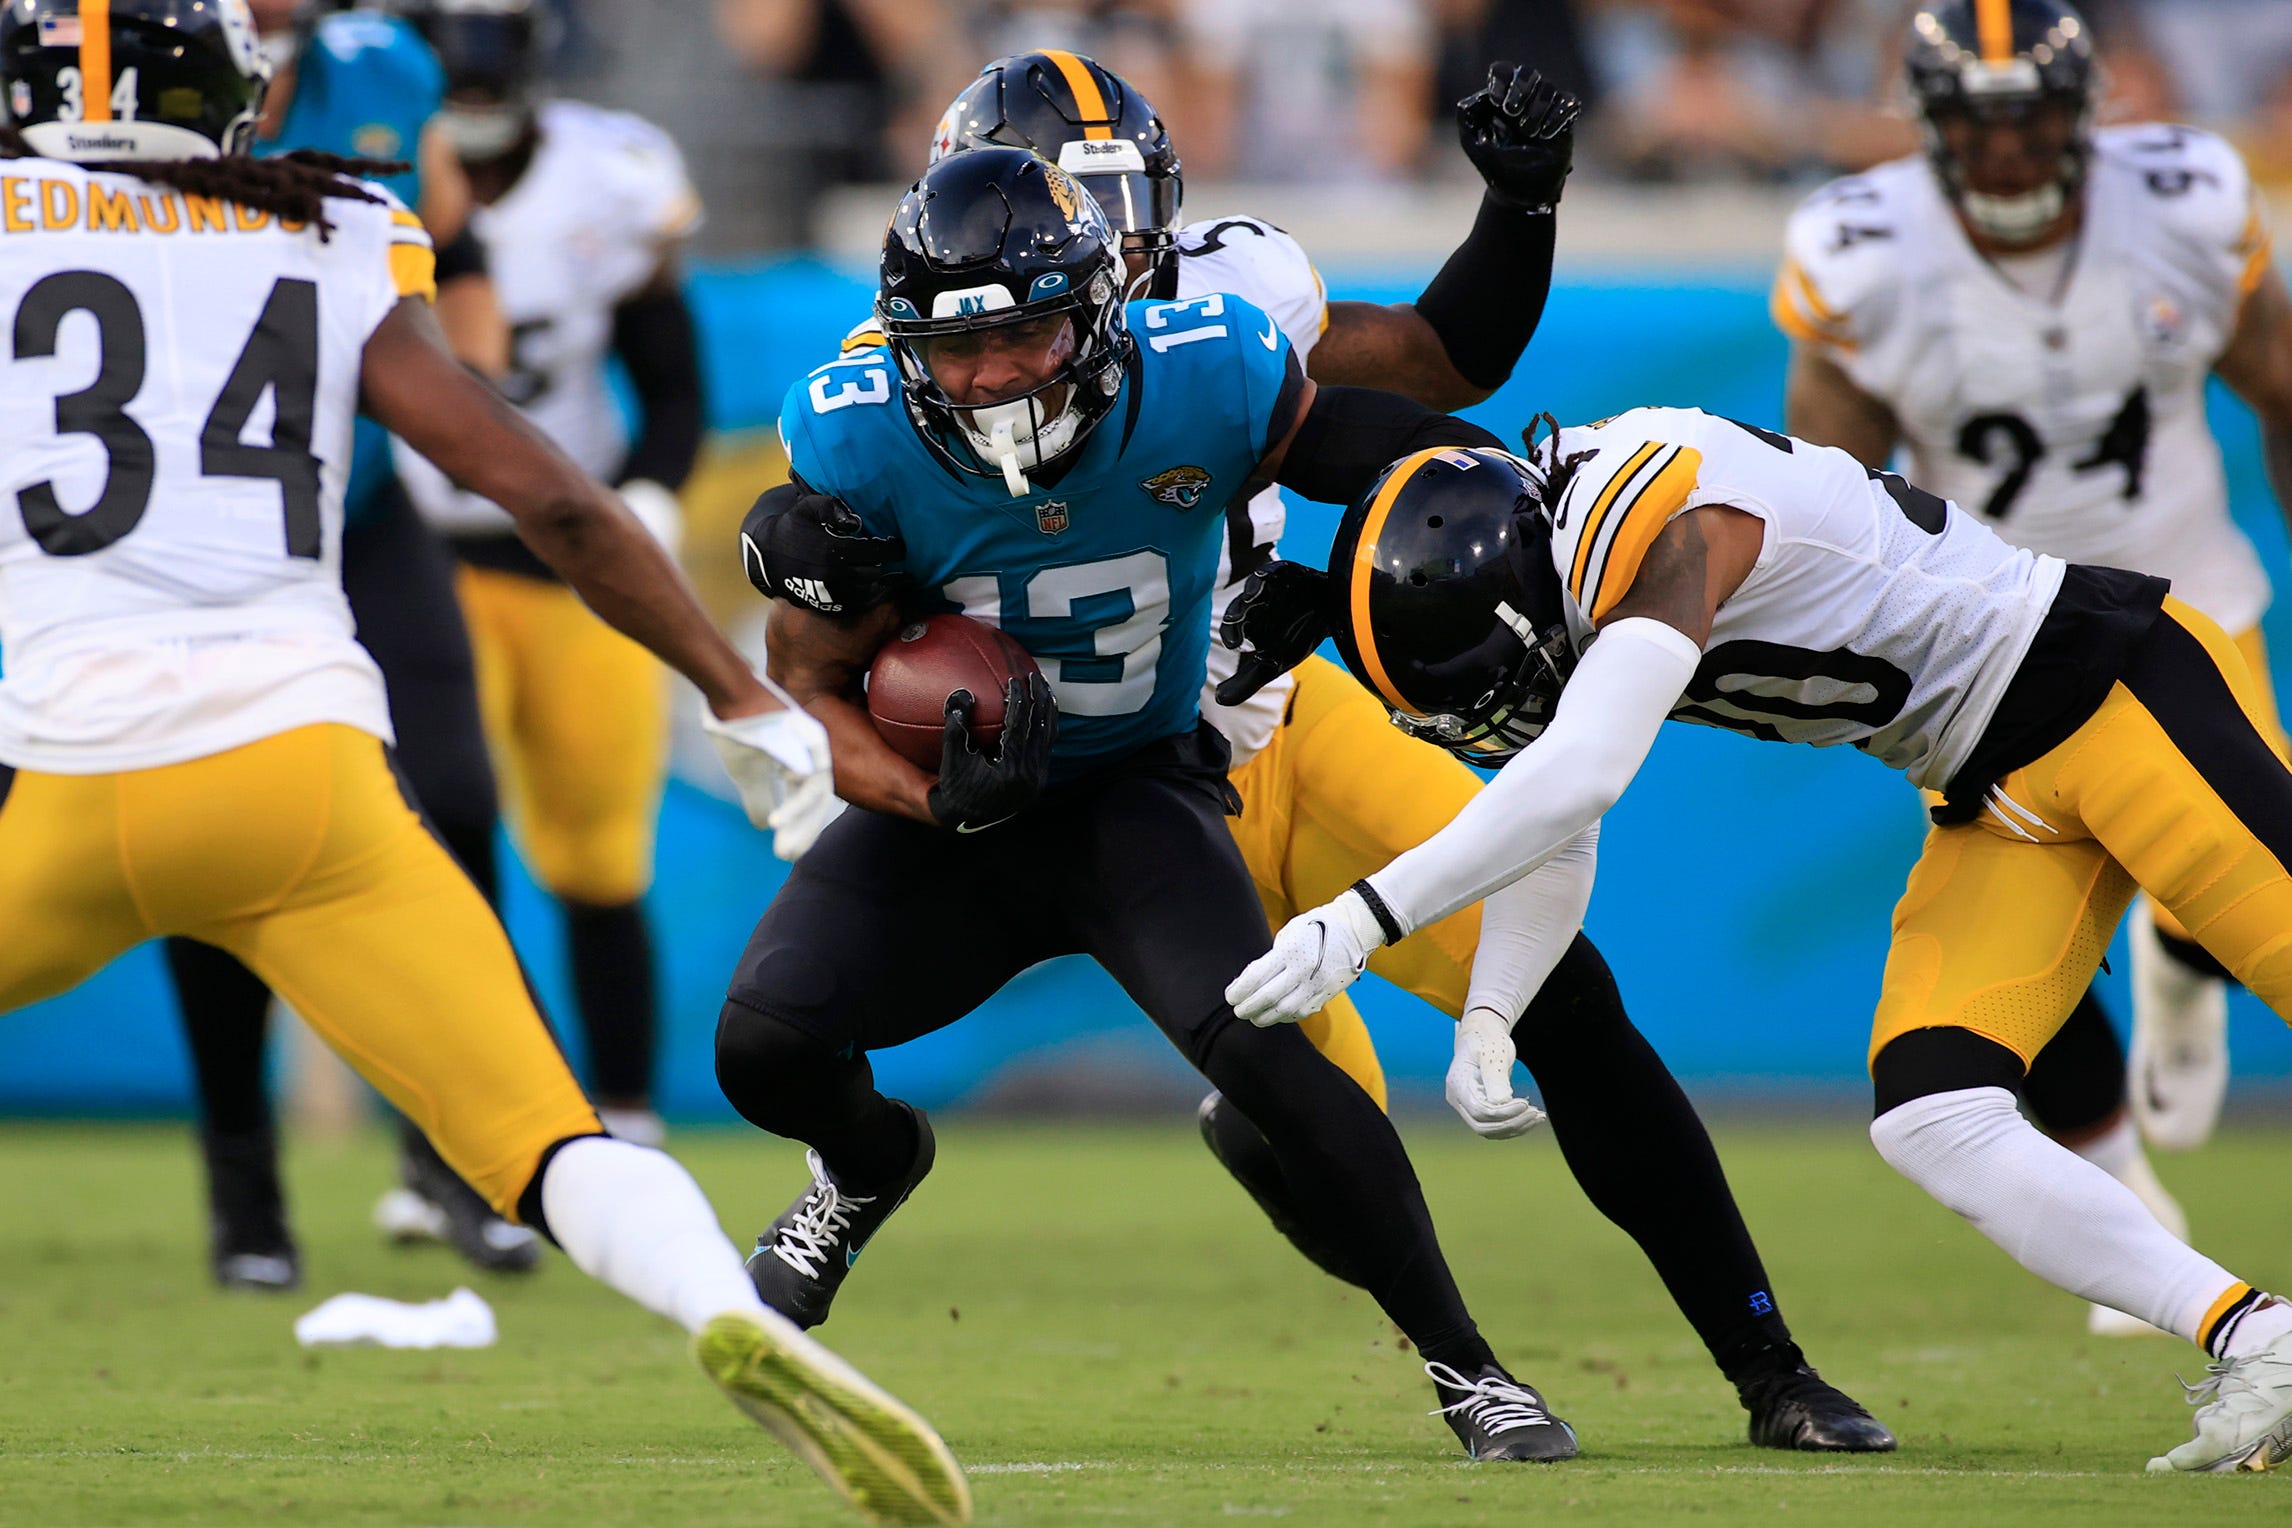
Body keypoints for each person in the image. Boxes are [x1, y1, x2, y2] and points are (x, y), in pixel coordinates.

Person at [750, 48, 1892, 1450]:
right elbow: (838, 582)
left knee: (1562, 1003)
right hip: (1090, 768)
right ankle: (1397, 1302)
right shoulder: (913, 381)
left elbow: (1427, 386)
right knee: (1292, 1109)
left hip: (1280, 723)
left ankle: (1770, 1370)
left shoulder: (1224, 313)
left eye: (1114, 199)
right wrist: (792, 543)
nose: (1110, 233)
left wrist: (1519, 213)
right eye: (1071, 199)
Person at [0, 3, 941, 1521]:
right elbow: (552, 498)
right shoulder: (324, 224)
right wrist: (738, 695)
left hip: (64, 781)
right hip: (301, 779)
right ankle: (724, 1309)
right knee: (548, 1142)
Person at [1219, 413, 2292, 1474]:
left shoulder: (1647, 504)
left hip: (2115, 688)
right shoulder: (1563, 569)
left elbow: (1580, 775)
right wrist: (1493, 1012)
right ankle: (2264, 1344)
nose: (1509, 723)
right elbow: (1557, 822)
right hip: (1992, 792)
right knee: (1932, 1114)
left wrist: (1360, 918)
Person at [723, 144, 1578, 1463]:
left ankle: (1473, 1372)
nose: (995, 375)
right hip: (961, 817)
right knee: (764, 1044)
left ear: (1097, 311)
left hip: (1140, 791)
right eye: (960, 350)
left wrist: (1431, 518)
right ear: (905, 350)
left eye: (1025, 333)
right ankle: (867, 1162)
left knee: (1276, 1067)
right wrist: (928, 796)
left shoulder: (1211, 372)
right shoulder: (855, 436)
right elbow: (810, 684)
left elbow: (1376, 444)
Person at [1773, 2, 2292, 1274]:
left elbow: (2283, 385)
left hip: (2189, 603)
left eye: (2031, 122)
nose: (2006, 155)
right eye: (1977, 125)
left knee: (2227, 878)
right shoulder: (1862, 248)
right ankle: (2126, 1190)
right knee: (2016, 980)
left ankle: (2182, 957)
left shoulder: (2183, 201)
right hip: (1996, 638)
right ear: (1930, 126)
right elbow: (1833, 497)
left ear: (2084, 114)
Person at [174, 0, 528, 1294]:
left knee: (462, 804)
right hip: (194, 532)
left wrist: (467, 365)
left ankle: (462, 1159)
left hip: (360, 508)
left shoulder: (386, 69)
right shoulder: (140, 65)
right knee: (197, 831)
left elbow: (451, 226)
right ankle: (246, 1193)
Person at [392, 0, 709, 1149]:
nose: (472, 71)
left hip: (573, 562)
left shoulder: (608, 176)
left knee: (596, 859)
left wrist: (650, 508)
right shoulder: (364, 165)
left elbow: (671, 381)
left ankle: (622, 1120)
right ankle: (456, 1146)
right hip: (420, 565)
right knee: (431, 861)